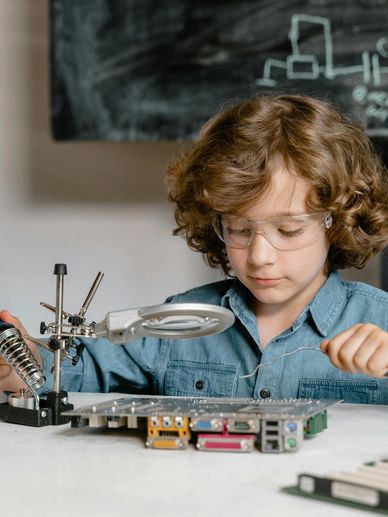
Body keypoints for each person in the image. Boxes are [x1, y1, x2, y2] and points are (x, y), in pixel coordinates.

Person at [1, 94, 388, 403]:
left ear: (335, 221)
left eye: (288, 230)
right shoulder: (179, 322)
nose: (259, 256)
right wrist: (24, 364)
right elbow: (77, 373)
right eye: (238, 228)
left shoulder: (380, 322)